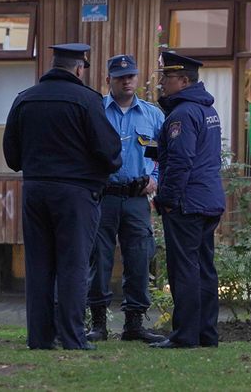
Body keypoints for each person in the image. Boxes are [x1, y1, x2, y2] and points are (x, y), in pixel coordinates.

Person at [3, 43, 122, 350]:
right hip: (76, 194)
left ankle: (40, 338)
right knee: (73, 264)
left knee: (39, 264)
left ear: (53, 64)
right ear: (79, 68)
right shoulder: (87, 100)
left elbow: (12, 157)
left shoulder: (24, 100)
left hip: (35, 190)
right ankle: (72, 337)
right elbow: (109, 151)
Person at [85, 54, 166, 343]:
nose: (127, 81)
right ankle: (98, 325)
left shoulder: (153, 115)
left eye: (131, 75)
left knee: (139, 259)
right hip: (103, 197)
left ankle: (134, 325)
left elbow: (163, 157)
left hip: (136, 199)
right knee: (99, 260)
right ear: (108, 80)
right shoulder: (94, 112)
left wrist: (156, 178)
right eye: (120, 77)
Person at [149, 51, 226, 349]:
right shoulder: (208, 111)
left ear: (183, 80)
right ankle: (206, 333)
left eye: (166, 78)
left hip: (187, 202)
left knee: (184, 270)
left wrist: (166, 199)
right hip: (208, 199)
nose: (162, 83)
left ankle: (184, 335)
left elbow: (182, 161)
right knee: (204, 268)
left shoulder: (181, 114)